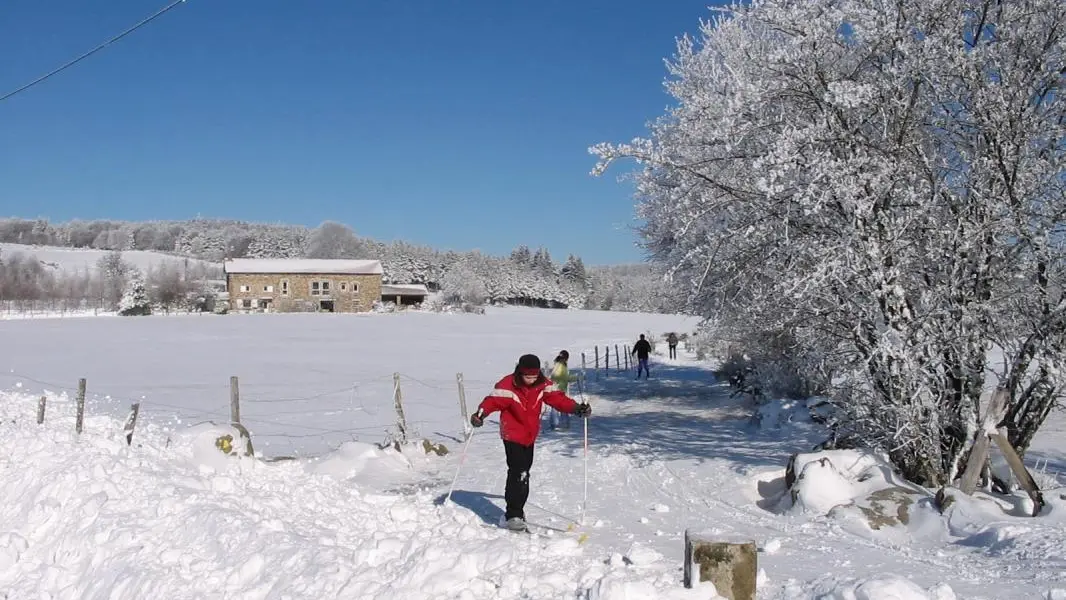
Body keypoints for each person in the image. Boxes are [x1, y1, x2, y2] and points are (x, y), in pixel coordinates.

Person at [469, 353, 592, 531]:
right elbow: (492, 401)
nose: (531, 379)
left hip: (529, 435)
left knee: (525, 472)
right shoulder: (508, 385)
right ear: (520, 372)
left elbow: (558, 399)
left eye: (534, 376)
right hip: (512, 434)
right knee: (518, 471)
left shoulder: (543, 385)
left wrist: (576, 408)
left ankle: (518, 510)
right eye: (527, 376)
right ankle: (513, 514)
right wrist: (480, 414)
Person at [549, 350, 581, 430]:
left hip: (559, 389)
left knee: (559, 406)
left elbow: (557, 377)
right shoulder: (560, 366)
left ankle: (558, 424)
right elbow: (558, 376)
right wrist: (575, 378)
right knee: (560, 406)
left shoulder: (559, 365)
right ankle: (558, 424)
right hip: (558, 389)